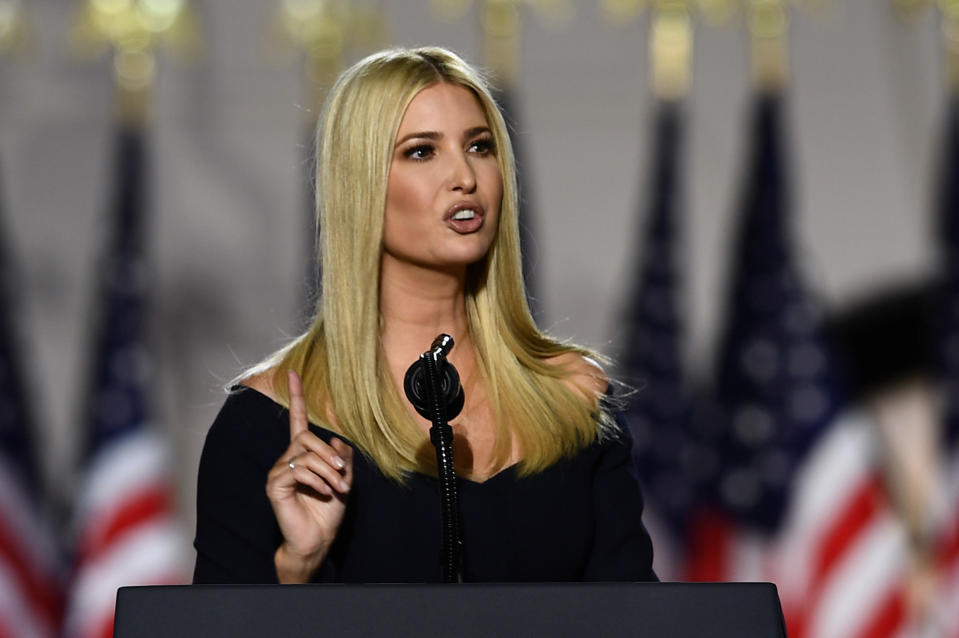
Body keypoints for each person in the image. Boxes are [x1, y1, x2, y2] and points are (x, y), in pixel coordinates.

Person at [192, 46, 656, 584]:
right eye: (421, 152)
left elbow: (637, 617)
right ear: (359, 184)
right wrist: (298, 569)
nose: (465, 176)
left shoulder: (576, 400)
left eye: (479, 146)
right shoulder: (265, 424)